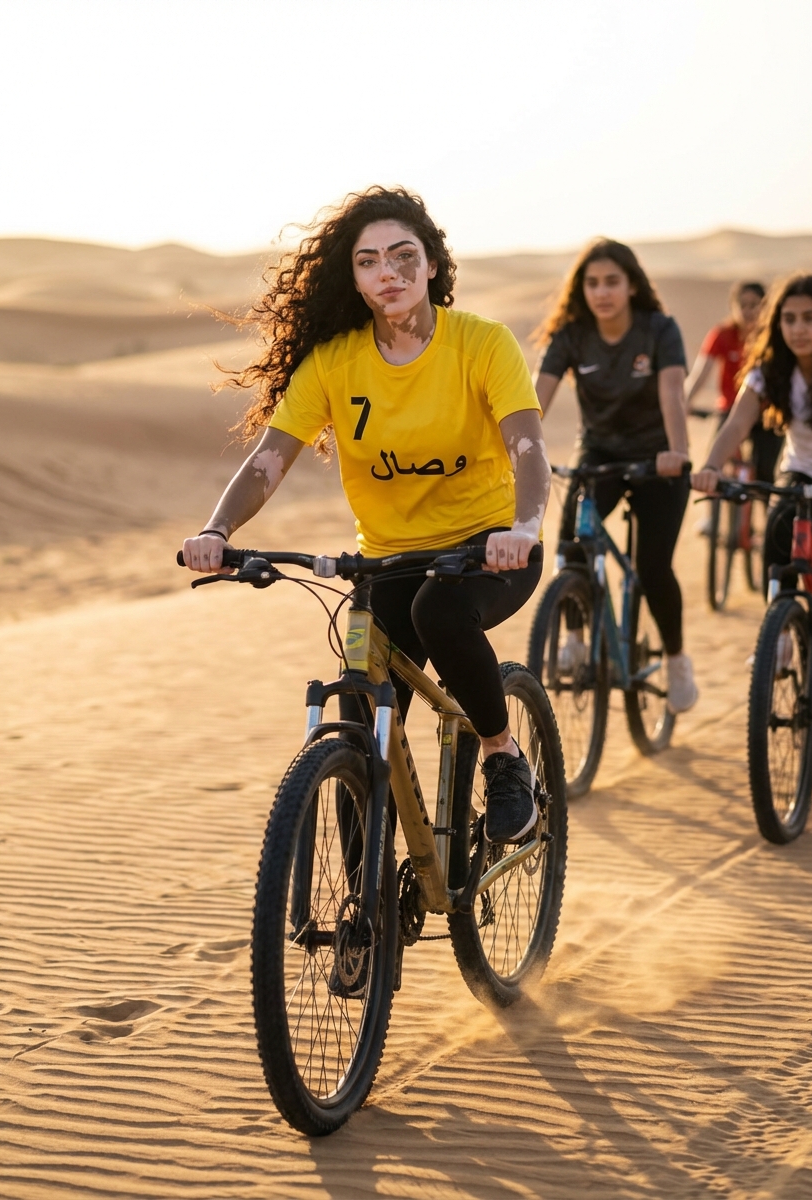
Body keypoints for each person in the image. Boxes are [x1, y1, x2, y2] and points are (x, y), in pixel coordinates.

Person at [181, 186, 551, 844]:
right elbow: (268, 460)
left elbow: (528, 449)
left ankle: (502, 753)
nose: (389, 272)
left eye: (404, 255)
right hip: (387, 561)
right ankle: (363, 901)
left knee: (439, 613)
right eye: (369, 261)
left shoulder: (483, 344)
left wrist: (523, 529)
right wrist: (217, 529)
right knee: (358, 722)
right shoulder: (335, 363)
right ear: (352, 279)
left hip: (489, 547)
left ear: (431, 264)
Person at [533, 238, 698, 714]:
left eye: (611, 282)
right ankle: (575, 638)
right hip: (599, 453)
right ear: (581, 290)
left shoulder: (658, 329)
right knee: (571, 545)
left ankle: (676, 658)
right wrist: (514, 448)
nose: (601, 292)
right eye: (592, 283)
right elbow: (534, 399)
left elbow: (672, 393)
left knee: (653, 566)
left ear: (631, 286)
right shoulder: (571, 335)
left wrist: (678, 452)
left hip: (657, 457)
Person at [691, 274, 812, 595]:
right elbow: (737, 423)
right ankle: (782, 621)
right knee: (776, 544)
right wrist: (711, 466)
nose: (798, 328)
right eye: (789, 319)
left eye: (810, 318)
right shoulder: (768, 370)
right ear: (777, 323)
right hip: (802, 474)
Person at [685, 281, 783, 486]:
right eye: (742, 305)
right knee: (715, 463)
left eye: (754, 305)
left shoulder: (774, 338)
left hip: (766, 412)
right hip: (730, 410)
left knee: (765, 472)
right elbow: (701, 373)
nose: (748, 311)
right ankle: (713, 505)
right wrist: (685, 400)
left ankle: (764, 503)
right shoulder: (722, 334)